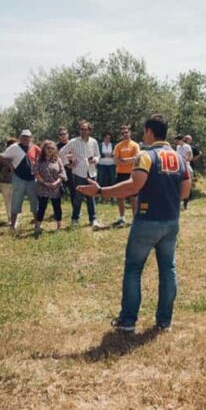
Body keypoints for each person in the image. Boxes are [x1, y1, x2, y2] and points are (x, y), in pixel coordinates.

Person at [77, 114, 191, 332]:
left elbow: (133, 186)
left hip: (147, 221)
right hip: (171, 221)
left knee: (133, 269)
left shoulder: (145, 156)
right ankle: (164, 322)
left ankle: (128, 320)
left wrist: (100, 190)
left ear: (149, 131)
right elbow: (185, 191)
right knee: (168, 270)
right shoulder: (179, 157)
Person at [59, 120, 104, 228]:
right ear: (79, 130)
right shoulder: (74, 141)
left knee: (91, 197)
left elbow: (98, 155)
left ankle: (93, 220)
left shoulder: (93, 142)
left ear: (89, 130)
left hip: (91, 172)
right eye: (81, 129)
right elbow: (61, 152)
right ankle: (75, 219)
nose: (83, 131)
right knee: (78, 197)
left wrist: (95, 160)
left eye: (86, 129)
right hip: (79, 173)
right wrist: (68, 164)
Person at [0, 130, 41, 233]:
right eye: (23, 137)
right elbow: (2, 156)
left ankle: (37, 224)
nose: (25, 139)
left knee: (34, 202)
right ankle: (13, 226)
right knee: (16, 201)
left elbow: (43, 157)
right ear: (20, 137)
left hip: (32, 179)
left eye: (27, 137)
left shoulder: (34, 148)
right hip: (18, 178)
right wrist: (10, 166)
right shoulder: (14, 147)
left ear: (31, 138)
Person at [34, 140, 67, 234]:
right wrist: (45, 183)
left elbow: (62, 173)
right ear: (44, 149)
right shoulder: (39, 160)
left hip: (55, 188)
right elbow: (36, 173)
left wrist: (57, 182)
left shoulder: (58, 159)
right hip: (43, 187)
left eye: (52, 148)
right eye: (48, 148)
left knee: (57, 207)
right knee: (42, 207)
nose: (50, 150)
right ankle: (38, 226)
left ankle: (59, 226)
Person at [112, 125, 141, 227]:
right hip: (120, 173)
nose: (124, 134)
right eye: (122, 133)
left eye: (126, 132)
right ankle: (121, 217)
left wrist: (123, 160)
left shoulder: (135, 145)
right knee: (120, 196)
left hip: (132, 173)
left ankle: (135, 218)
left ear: (130, 133)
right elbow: (115, 161)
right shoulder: (118, 146)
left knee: (134, 197)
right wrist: (127, 160)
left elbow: (137, 158)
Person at [0, 138, 17, 225]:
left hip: (16, 182)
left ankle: (15, 220)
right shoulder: (2, 156)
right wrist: (6, 168)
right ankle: (9, 219)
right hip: (4, 182)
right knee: (7, 201)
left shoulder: (19, 156)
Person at [56, 127, 74, 205]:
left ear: (68, 135)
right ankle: (57, 211)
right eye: (61, 134)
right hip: (61, 171)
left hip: (73, 170)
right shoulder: (56, 146)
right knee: (59, 191)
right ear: (58, 136)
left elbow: (78, 155)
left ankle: (76, 212)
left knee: (74, 191)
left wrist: (68, 156)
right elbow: (55, 159)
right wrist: (67, 157)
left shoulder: (73, 144)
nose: (63, 136)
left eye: (64, 134)